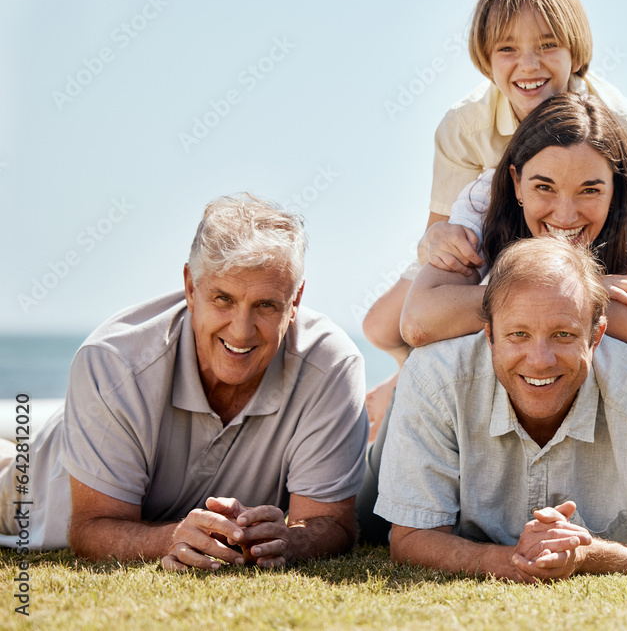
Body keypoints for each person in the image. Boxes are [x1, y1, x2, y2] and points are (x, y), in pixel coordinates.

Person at [362, 0, 627, 429]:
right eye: (508, 49)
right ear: (486, 60)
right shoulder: (466, 126)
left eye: (548, 45)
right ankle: (411, 377)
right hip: (508, 236)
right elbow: (436, 228)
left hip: (601, 241)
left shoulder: (612, 122)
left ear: (576, 53)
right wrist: (438, 244)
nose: (529, 65)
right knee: (381, 325)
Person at [0, 194, 368, 570]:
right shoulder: (113, 361)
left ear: (295, 301)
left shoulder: (332, 366)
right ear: (191, 288)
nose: (241, 332)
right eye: (223, 298)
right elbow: (90, 528)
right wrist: (172, 539)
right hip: (32, 484)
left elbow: (331, 521)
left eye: (266, 305)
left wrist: (290, 540)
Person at [374, 236, 627, 581]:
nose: (540, 361)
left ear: (596, 335)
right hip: (375, 476)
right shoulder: (435, 376)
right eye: (518, 335)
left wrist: (588, 554)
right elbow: (409, 539)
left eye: (563, 335)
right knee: (363, 521)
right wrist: (512, 561)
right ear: (490, 335)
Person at [399, 92, 627, 416]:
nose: (565, 215)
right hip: (578, 335)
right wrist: (578, 292)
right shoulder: (484, 198)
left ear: (614, 187)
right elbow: (418, 321)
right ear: (516, 181)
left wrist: (566, 298)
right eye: (544, 187)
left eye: (590, 190)